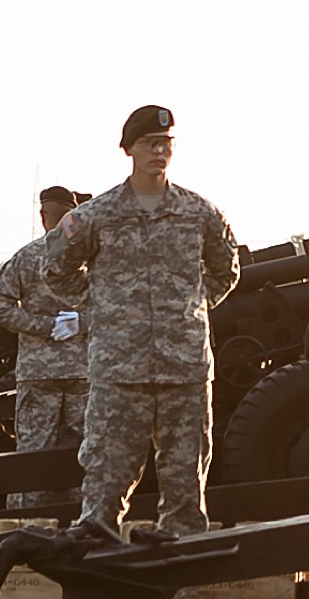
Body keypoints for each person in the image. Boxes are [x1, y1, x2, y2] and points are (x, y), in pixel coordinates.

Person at [44, 105, 240, 544]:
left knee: (185, 488)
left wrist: (189, 308)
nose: (159, 151)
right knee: (104, 485)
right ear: (129, 149)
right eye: (150, 143)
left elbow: (227, 271)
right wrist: (105, 308)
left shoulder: (200, 213)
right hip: (120, 370)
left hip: (184, 369)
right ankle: (98, 586)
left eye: (166, 144)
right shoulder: (98, 215)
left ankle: (183, 594)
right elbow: (54, 269)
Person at [0, 185, 90, 506]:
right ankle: (74, 525)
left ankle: (24, 524)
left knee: (31, 455)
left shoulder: (29, 257)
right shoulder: (91, 257)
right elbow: (118, 306)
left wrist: (42, 327)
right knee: (81, 454)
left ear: (43, 216)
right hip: (84, 371)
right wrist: (80, 323)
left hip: (38, 372)